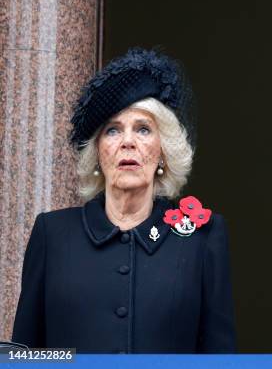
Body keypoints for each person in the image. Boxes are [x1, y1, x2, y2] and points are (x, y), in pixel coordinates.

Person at [12, 48, 236, 353]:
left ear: (162, 151)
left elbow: (220, 359)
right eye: (113, 130)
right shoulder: (52, 234)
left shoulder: (202, 238)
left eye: (143, 129)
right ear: (97, 153)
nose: (128, 141)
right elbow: (25, 358)